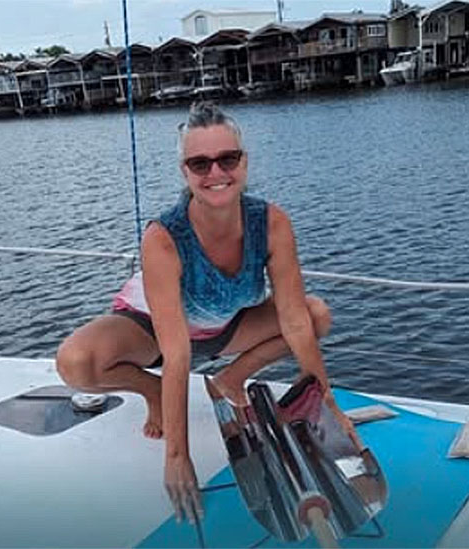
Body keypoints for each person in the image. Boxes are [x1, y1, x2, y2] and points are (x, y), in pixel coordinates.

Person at [56, 101, 359, 524]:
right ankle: (151, 391)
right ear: (185, 172)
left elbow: (292, 318)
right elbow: (177, 353)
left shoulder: (271, 223)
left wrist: (326, 405)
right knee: (76, 363)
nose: (216, 173)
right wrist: (177, 456)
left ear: (244, 163)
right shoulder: (164, 238)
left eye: (227, 159)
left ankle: (230, 379)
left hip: (224, 327)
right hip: (151, 330)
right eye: (200, 163)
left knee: (315, 316)